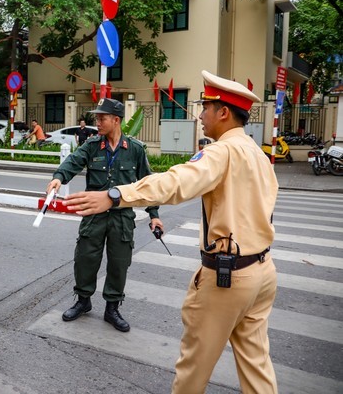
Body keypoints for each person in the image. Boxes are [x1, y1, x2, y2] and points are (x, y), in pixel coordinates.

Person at [64, 71, 279, 393]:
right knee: (257, 367)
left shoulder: (221, 151)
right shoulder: (257, 154)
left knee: (192, 372)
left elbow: (175, 182)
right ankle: (86, 300)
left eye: (205, 107)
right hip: (262, 272)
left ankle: (111, 304)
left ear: (223, 112)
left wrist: (114, 195)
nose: (200, 115)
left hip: (228, 278)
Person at [46, 98, 163, 332]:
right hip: (94, 215)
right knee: (85, 258)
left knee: (119, 263)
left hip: (121, 216)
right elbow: (73, 162)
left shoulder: (135, 150)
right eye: (96, 118)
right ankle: (83, 301)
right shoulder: (92, 145)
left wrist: (154, 215)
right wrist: (58, 177)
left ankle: (112, 308)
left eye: (102, 118)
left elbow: (147, 184)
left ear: (116, 120)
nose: (97, 122)